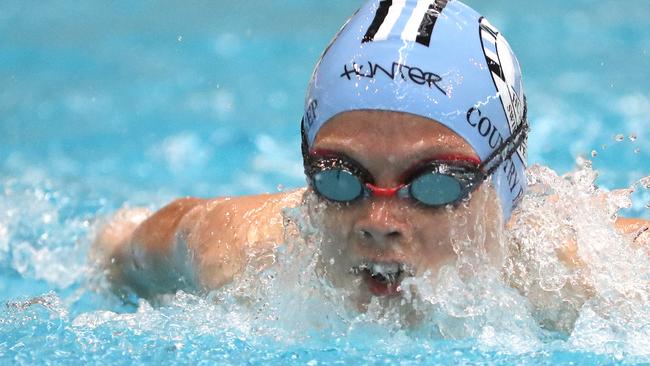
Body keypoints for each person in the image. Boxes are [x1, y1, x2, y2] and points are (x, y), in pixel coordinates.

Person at [94, 0, 649, 310]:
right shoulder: (239, 254)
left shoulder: (590, 281)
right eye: (341, 179)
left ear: (506, 182)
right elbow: (117, 249)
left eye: (435, 184)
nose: (379, 223)